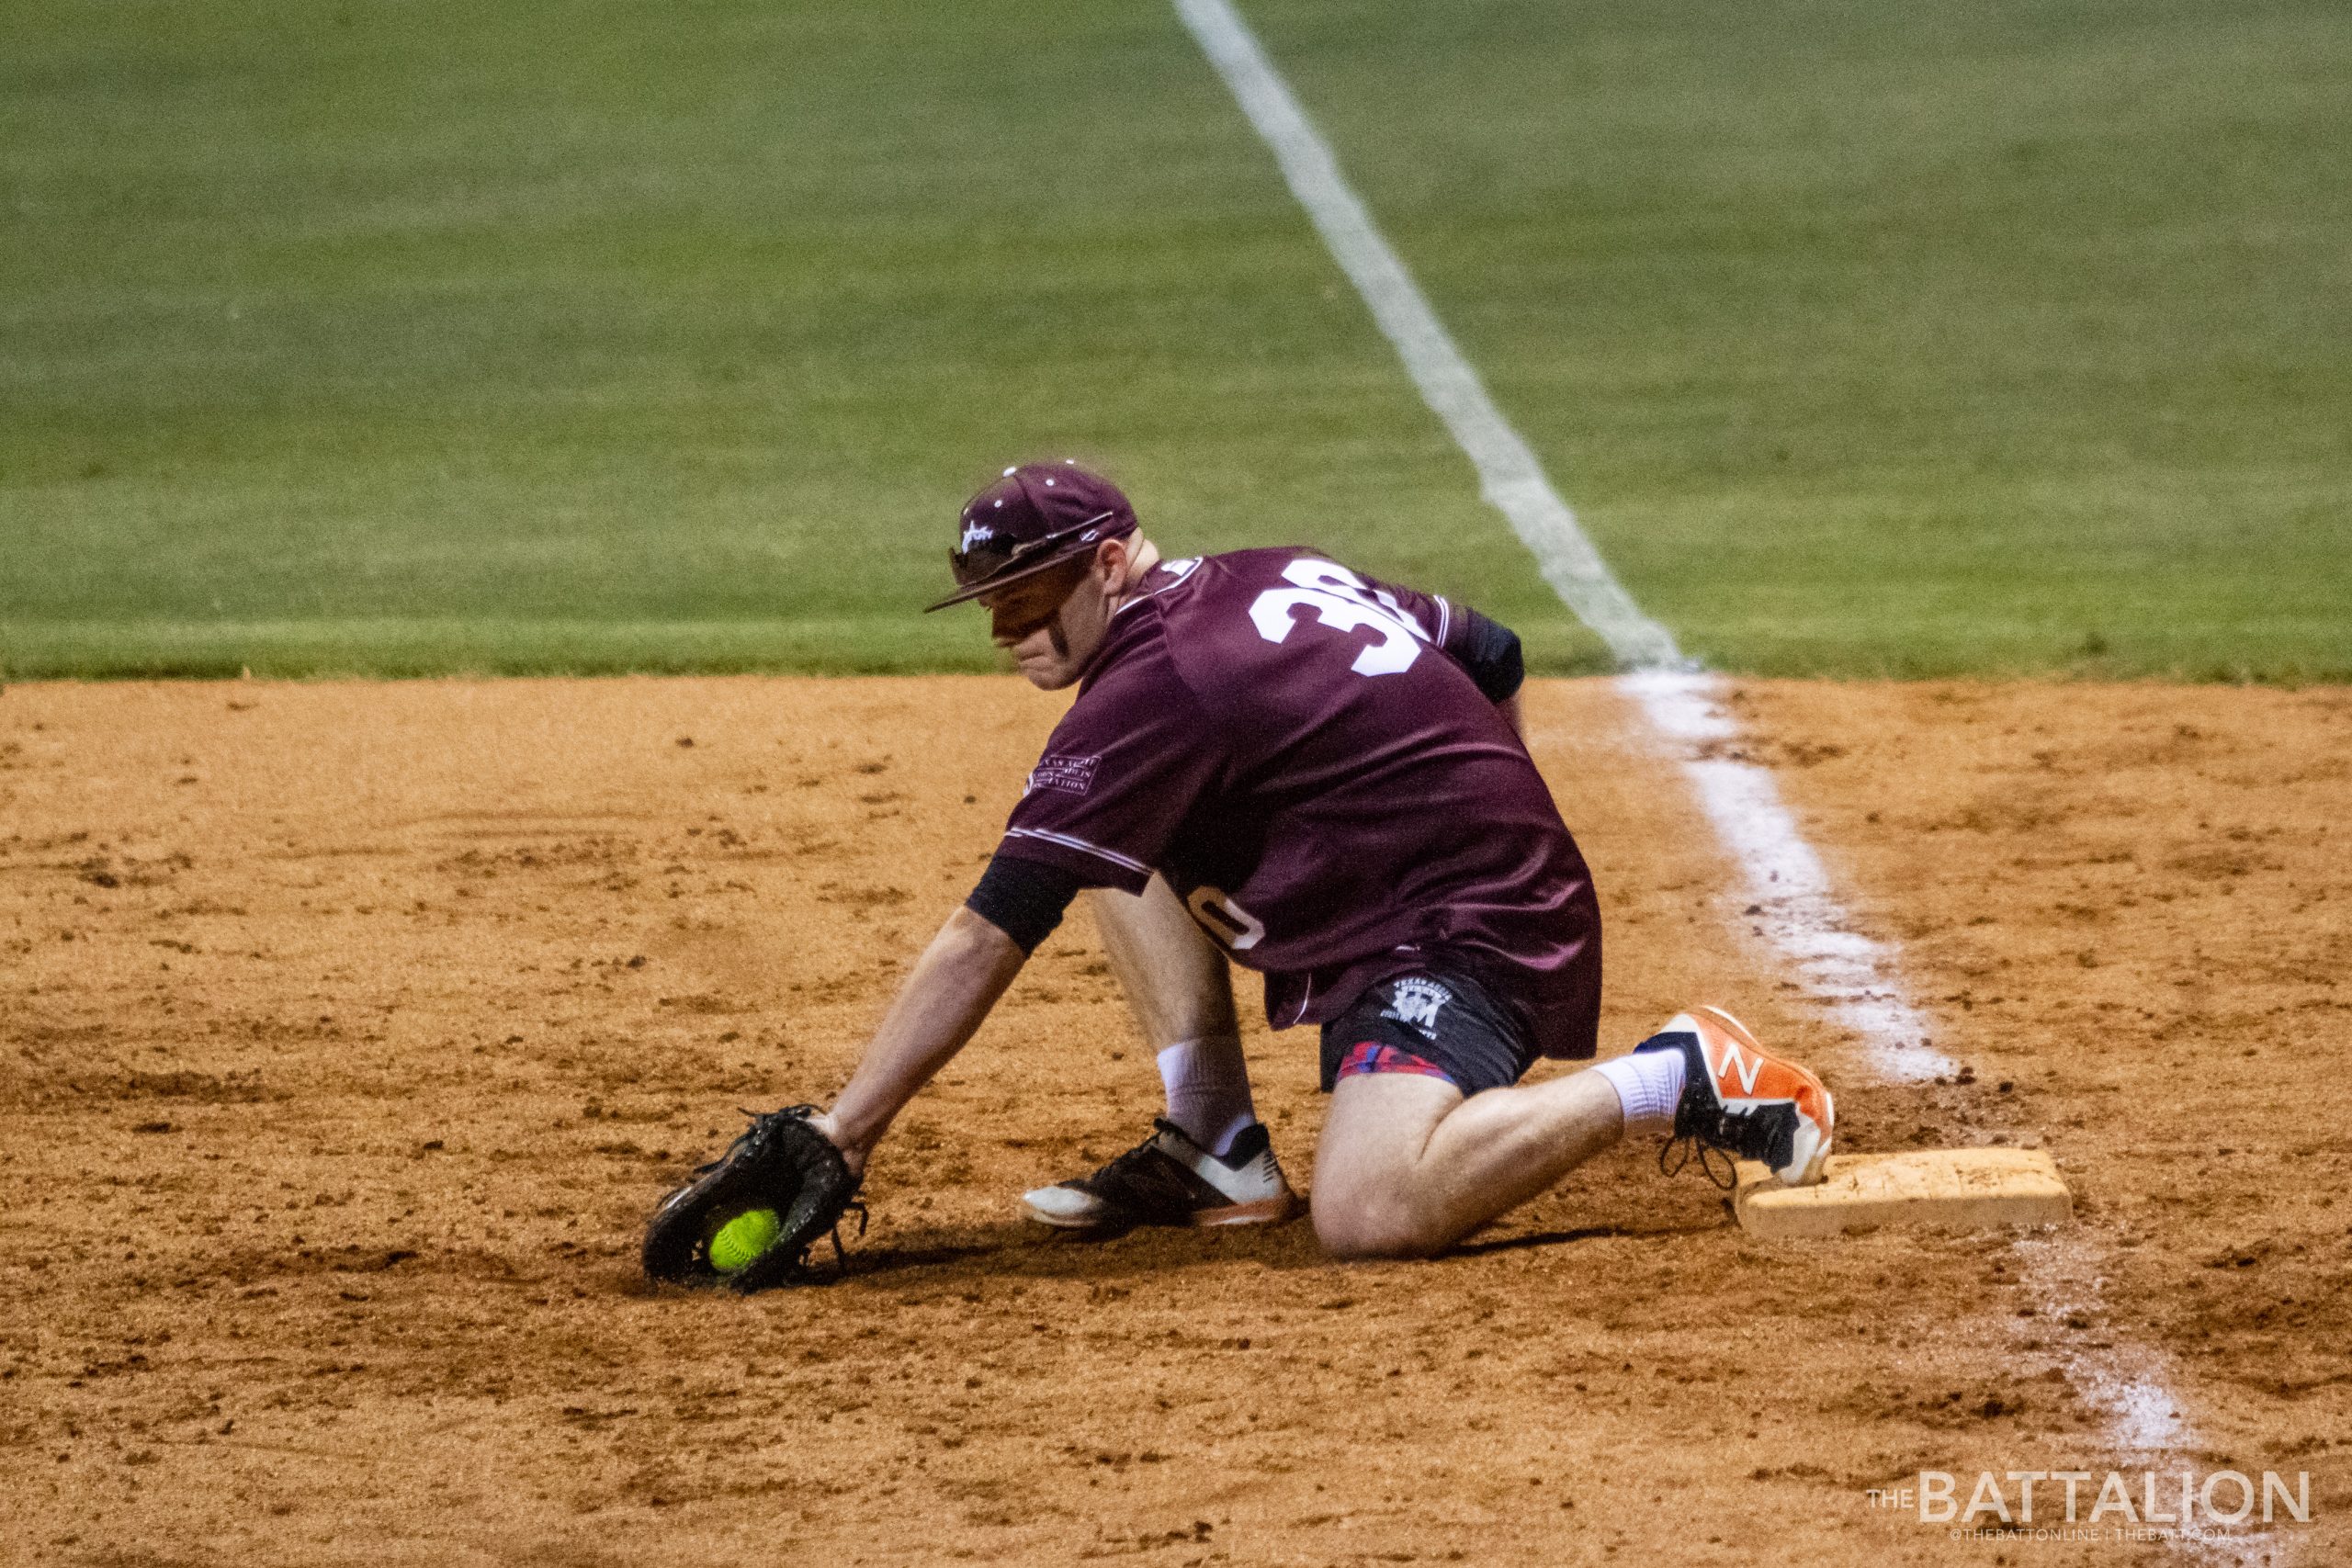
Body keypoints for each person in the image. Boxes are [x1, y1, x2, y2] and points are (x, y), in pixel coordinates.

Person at [803, 460, 1832, 1260]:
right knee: (1094, 824)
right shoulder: (1264, 572)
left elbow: (992, 928)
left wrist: (848, 1131)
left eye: (1030, 598)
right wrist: (1473, 798)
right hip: (1450, 880)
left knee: (1370, 1210)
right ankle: (1215, 1147)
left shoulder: (1157, 682)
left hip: (1470, 927)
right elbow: (1493, 648)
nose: (1007, 629)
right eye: (993, 605)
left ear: (1110, 564)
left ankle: (1680, 1073)